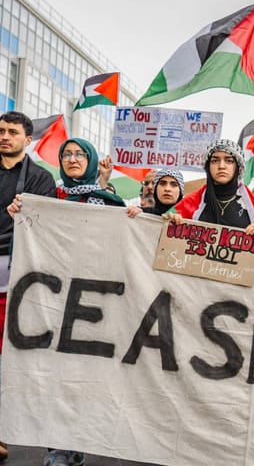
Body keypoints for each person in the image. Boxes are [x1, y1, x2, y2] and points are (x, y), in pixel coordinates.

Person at [8, 136, 126, 466]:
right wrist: (20, 212)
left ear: (89, 159)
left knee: (80, 375)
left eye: (79, 154)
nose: (73, 159)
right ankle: (58, 446)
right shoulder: (47, 196)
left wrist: (134, 215)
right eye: (67, 154)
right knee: (51, 373)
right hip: (50, 296)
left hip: (91, 300)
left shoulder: (106, 201)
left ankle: (73, 442)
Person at [0, 111, 56, 462]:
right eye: (1, 131)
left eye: (12, 132)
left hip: (13, 272)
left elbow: (46, 224)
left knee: (7, 359)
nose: (4, 136)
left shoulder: (39, 178)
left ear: (28, 139)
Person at [168, 139, 254, 234]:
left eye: (229, 161)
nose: (221, 166)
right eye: (215, 160)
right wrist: (170, 223)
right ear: (208, 166)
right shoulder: (187, 205)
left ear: (238, 167)